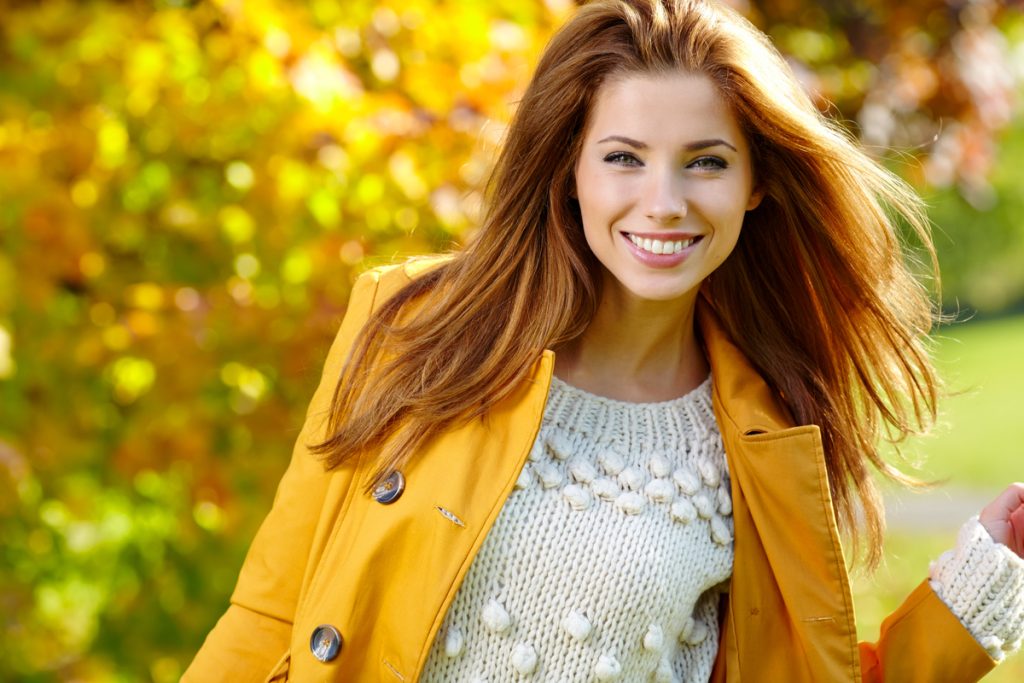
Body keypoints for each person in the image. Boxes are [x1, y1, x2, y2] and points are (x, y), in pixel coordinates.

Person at [184, 0, 1024, 680]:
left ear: (757, 181)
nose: (663, 201)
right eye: (624, 157)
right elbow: (266, 616)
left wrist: (983, 589)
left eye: (705, 162)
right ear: (570, 168)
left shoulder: (768, 436)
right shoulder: (411, 327)